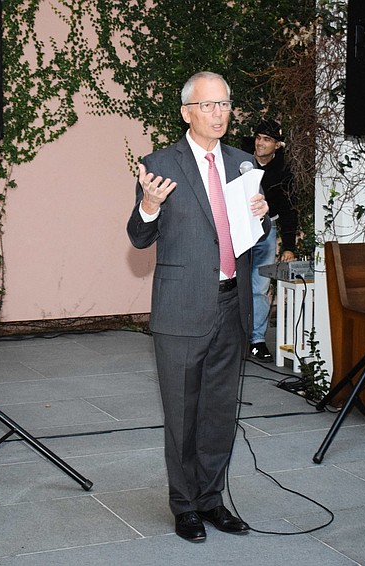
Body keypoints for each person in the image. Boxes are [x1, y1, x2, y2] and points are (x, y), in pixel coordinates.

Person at [127, 71, 270, 542]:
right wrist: (148, 204)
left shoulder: (246, 164)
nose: (220, 114)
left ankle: (212, 499)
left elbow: (249, 238)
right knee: (183, 412)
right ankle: (184, 505)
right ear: (188, 112)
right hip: (182, 309)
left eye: (225, 104)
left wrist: (261, 219)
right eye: (209, 106)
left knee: (219, 411)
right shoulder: (159, 164)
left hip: (232, 305)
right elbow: (139, 236)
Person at [248, 120, 298, 362]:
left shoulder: (284, 172)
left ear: (277, 145)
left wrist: (289, 246)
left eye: (267, 139)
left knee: (259, 287)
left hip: (266, 232)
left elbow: (289, 210)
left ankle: (257, 340)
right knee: (230, 285)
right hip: (237, 230)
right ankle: (231, 339)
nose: (260, 142)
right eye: (258, 137)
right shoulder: (240, 162)